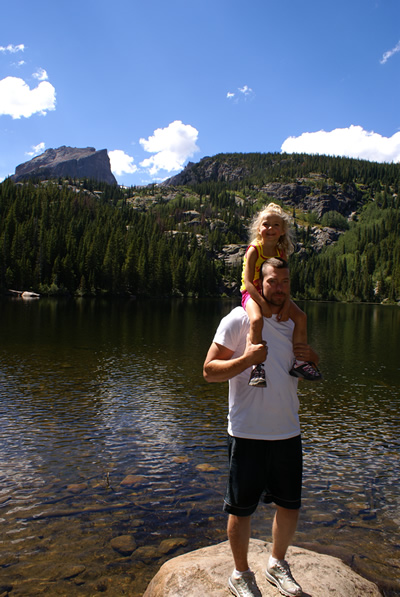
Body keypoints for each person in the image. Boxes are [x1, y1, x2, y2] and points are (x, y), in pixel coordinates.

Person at [203, 257, 320, 597]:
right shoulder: (239, 319)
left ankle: (276, 564)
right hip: (247, 433)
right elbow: (209, 371)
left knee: (290, 506)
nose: (280, 288)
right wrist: (247, 360)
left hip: (288, 431)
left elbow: (304, 368)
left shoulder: (292, 323)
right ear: (259, 282)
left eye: (285, 282)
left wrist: (313, 357)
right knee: (240, 510)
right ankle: (240, 574)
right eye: (273, 281)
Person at [240, 203, 321, 387]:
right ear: (259, 228)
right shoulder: (254, 249)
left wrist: (285, 305)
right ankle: (257, 367)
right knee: (257, 320)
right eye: (266, 224)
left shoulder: (280, 252)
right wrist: (263, 303)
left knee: (301, 317)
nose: (270, 229)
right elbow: (247, 283)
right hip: (251, 293)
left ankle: (300, 362)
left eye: (276, 225)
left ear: (283, 230)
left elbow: (284, 281)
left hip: (274, 292)